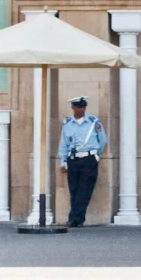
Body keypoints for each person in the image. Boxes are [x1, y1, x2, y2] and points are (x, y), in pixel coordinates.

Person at [57, 96, 107, 228]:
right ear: (73, 107)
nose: (81, 109)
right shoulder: (67, 124)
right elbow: (64, 143)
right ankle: (76, 219)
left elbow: (102, 141)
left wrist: (95, 154)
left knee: (85, 190)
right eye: (78, 106)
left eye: (83, 106)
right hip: (73, 159)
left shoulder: (93, 122)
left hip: (89, 158)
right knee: (74, 190)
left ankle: (74, 219)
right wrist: (63, 161)